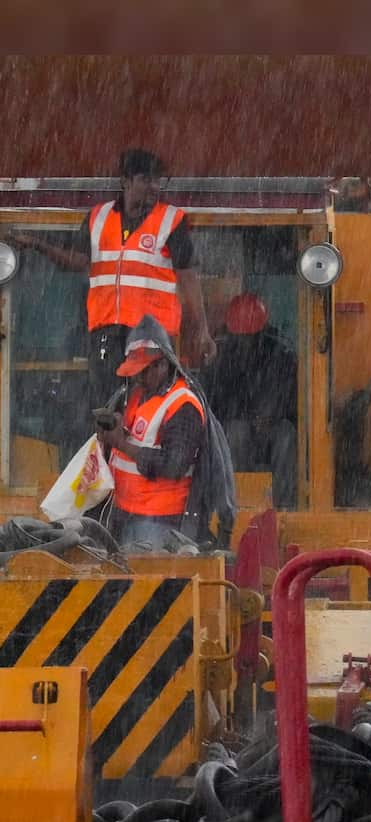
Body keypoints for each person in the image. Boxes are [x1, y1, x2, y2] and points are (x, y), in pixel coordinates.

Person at [8, 149, 215, 411]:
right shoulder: (99, 217)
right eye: (145, 179)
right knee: (107, 406)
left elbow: (188, 278)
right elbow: (79, 261)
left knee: (147, 408)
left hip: (151, 336)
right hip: (105, 331)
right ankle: (109, 450)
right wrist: (37, 244)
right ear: (125, 181)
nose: (153, 187)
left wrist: (201, 330)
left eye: (157, 180)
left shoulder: (170, 221)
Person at [96, 323, 206, 551]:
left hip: (159, 521)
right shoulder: (138, 395)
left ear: (163, 364)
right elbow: (138, 437)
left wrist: (121, 444)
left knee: (148, 581)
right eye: (135, 373)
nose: (139, 379)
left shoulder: (183, 405)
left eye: (144, 371)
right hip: (125, 512)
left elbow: (174, 465)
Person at [205, 293, 297, 507]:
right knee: (236, 434)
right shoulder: (220, 359)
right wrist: (244, 417)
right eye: (240, 336)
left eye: (250, 335)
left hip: (273, 428)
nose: (245, 341)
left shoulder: (282, 355)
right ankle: (236, 503)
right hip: (239, 427)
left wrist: (273, 416)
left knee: (287, 437)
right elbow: (216, 403)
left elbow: (290, 396)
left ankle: (286, 505)